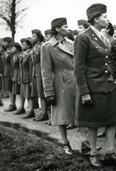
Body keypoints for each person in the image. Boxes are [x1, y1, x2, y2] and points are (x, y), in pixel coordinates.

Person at [74, 3, 116, 167]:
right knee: (93, 123)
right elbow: (78, 67)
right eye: (105, 16)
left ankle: (110, 152)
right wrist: (84, 92)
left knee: (112, 120)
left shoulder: (102, 36)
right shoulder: (83, 37)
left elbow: (107, 61)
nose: (107, 19)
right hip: (92, 87)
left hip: (107, 85)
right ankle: (93, 153)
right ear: (96, 18)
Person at [41, 17, 76, 154]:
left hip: (75, 81)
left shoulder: (71, 43)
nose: (68, 29)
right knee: (62, 115)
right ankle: (65, 143)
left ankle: (85, 141)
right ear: (57, 29)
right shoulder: (48, 47)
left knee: (80, 112)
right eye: (65, 26)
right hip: (60, 84)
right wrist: (49, 92)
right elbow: (46, 71)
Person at [31, 29, 49, 121]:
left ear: (38, 36)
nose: (32, 38)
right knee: (39, 93)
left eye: (34, 36)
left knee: (42, 92)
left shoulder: (42, 45)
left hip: (41, 71)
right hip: (35, 71)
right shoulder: (35, 46)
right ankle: (42, 112)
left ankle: (45, 112)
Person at [14, 38, 33, 117]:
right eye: (21, 44)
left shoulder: (30, 54)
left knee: (29, 95)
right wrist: (19, 77)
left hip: (28, 77)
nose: (22, 46)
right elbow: (20, 67)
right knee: (22, 93)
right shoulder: (23, 54)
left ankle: (31, 111)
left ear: (28, 45)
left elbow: (31, 68)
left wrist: (31, 80)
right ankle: (21, 108)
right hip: (22, 76)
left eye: (24, 44)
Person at [5, 42, 22, 112]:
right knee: (11, 89)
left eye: (13, 48)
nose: (12, 49)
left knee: (18, 91)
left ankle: (19, 106)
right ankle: (12, 105)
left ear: (17, 48)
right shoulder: (12, 54)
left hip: (17, 74)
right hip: (12, 73)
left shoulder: (19, 55)